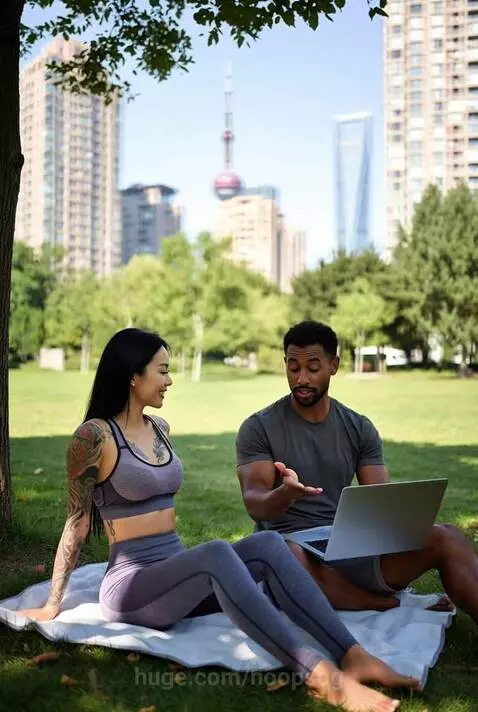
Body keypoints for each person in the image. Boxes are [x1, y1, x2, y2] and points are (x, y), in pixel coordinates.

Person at [18, 327, 419, 712]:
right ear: (131, 376)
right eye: (162, 371)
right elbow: (77, 521)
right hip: (132, 589)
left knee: (269, 543)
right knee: (215, 553)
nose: (170, 380)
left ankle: (355, 655)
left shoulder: (159, 428)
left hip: (177, 577)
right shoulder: (94, 437)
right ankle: (319, 675)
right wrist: (53, 603)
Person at [236, 320, 478, 620]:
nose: (302, 379)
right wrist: (285, 493)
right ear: (285, 364)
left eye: (313, 368)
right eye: (293, 367)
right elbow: (255, 503)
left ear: (334, 365)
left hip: (347, 545)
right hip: (289, 544)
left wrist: (411, 511)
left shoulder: (358, 427)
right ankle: (381, 602)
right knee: (283, 554)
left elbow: (378, 499)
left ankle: (362, 597)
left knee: (448, 536)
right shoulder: (259, 427)